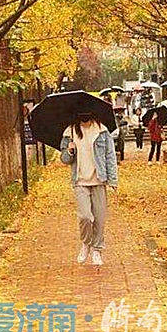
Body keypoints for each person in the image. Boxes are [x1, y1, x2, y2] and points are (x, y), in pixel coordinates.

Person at [60, 112, 118, 266]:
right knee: (85, 216)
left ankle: (97, 249)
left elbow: (110, 156)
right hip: (80, 181)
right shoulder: (70, 132)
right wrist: (69, 151)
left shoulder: (102, 130)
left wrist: (113, 179)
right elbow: (64, 159)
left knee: (99, 218)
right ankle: (86, 243)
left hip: (99, 179)